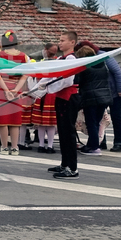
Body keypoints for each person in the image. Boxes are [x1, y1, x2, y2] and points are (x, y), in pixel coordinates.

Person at [0, 31, 29, 155]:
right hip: (17, 88)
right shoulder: (24, 56)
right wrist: (16, 90)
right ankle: (15, 148)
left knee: (2, 120)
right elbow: (25, 75)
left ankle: (4, 147)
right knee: (15, 120)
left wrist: (6, 90)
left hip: (1, 87)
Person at [50, 31, 80, 178]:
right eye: (59, 40)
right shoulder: (62, 58)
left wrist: (50, 87)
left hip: (69, 98)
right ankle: (64, 163)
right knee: (62, 131)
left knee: (68, 132)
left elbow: (67, 81)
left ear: (72, 42)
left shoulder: (71, 59)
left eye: (62, 40)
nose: (59, 43)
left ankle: (72, 168)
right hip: (62, 97)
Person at [74, 43, 112, 156]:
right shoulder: (103, 65)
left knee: (91, 122)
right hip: (104, 97)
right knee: (96, 122)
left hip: (90, 97)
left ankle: (94, 147)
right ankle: (91, 145)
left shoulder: (84, 67)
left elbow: (77, 81)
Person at [99, 45, 121, 152]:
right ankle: (101, 140)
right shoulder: (89, 58)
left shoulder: (104, 56)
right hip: (103, 92)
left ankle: (119, 143)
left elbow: (117, 72)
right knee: (100, 117)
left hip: (116, 93)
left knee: (116, 117)